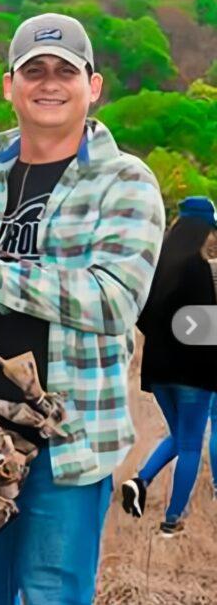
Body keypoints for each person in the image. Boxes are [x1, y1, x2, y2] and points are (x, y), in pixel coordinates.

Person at [0, 13, 165, 605]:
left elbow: (113, 299)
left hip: (69, 439)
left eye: (65, 70)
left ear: (92, 87)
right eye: (32, 70)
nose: (49, 82)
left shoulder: (125, 182)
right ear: (10, 86)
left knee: (53, 596)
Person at [121, 196, 217, 535]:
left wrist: (166, 340)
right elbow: (207, 328)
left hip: (159, 372)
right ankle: (171, 523)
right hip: (194, 373)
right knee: (191, 445)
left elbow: (142, 316)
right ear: (203, 230)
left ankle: (140, 480)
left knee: (179, 436)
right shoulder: (197, 267)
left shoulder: (156, 265)